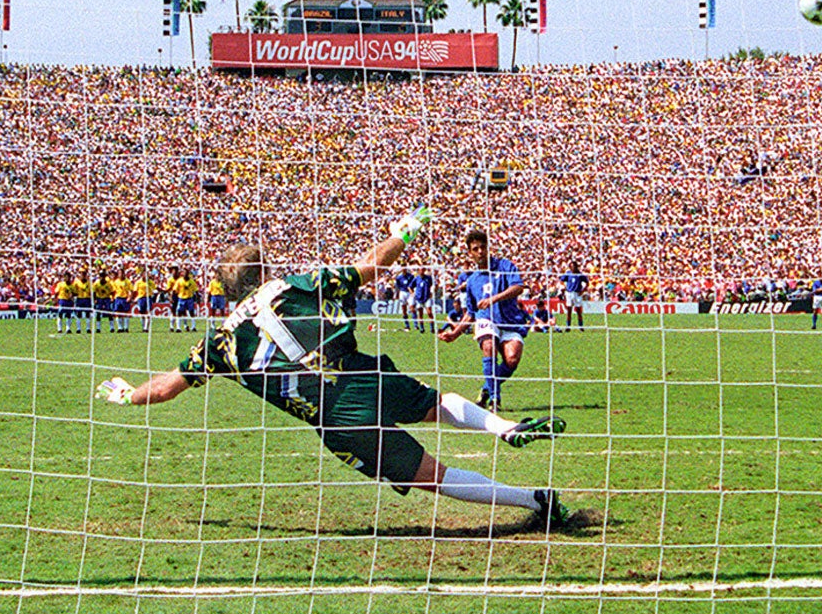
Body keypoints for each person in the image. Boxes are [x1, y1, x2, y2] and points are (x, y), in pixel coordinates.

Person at [99, 207, 572, 530]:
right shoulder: (292, 285)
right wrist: (404, 232)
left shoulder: (220, 341)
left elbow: (165, 389)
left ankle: (533, 499)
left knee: (432, 473)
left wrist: (128, 394)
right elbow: (369, 267)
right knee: (437, 404)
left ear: (225, 291)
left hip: (335, 417)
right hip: (359, 372)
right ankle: (504, 427)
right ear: (264, 273)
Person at [439, 227, 553, 427]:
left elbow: (518, 287)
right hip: (487, 320)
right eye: (475, 249)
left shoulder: (504, 265)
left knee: (511, 359)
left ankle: (487, 388)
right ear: (470, 253)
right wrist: (455, 333)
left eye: (483, 247)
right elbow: (471, 313)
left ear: (488, 247)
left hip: (509, 320)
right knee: (489, 347)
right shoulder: (472, 280)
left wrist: (494, 299)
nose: (480, 251)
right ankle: (495, 399)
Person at [559, 261, 588, 331]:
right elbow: (561, 280)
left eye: (574, 266)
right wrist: (565, 286)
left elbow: (587, 282)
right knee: (569, 310)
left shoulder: (580, 274)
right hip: (569, 293)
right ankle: (568, 326)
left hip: (577, 293)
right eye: (571, 266)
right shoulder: (568, 273)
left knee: (578, 310)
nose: (573, 268)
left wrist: (583, 291)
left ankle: (580, 326)